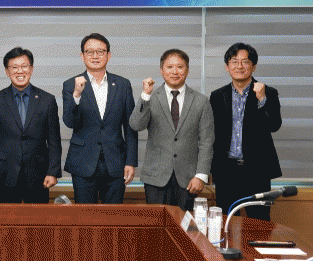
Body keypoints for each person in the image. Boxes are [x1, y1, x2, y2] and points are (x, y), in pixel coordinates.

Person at [129, 49, 214, 211]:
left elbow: (207, 141)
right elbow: (136, 125)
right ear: (161, 70)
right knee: (157, 225)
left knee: (184, 224)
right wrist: (145, 95)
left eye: (180, 67)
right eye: (169, 67)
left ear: (187, 70)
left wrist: (201, 175)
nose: (175, 71)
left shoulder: (201, 101)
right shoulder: (151, 98)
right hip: (155, 178)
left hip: (188, 179)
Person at [0, 47, 62, 203]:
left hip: (38, 173)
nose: (20, 71)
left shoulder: (47, 100)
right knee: (7, 218)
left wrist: (53, 172)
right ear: (7, 71)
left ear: (31, 69)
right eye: (14, 67)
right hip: (6, 172)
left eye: (24, 66)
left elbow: (54, 140)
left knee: (37, 218)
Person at [62, 33, 138, 204]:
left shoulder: (123, 85)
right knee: (85, 215)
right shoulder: (71, 85)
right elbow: (69, 122)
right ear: (82, 56)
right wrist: (77, 95)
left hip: (116, 163)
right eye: (89, 52)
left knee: (113, 215)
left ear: (108, 55)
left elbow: (130, 127)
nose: (95, 56)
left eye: (100, 51)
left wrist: (130, 162)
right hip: (83, 162)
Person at [210, 43, 282, 221]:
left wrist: (262, 99)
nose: (239, 66)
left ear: (253, 66)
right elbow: (212, 134)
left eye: (245, 62)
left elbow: (274, 125)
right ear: (227, 67)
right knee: (225, 221)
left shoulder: (268, 93)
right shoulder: (217, 96)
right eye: (234, 62)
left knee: (258, 223)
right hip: (226, 171)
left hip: (257, 171)